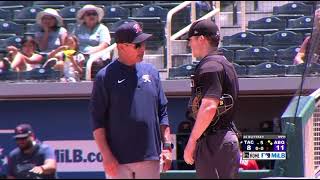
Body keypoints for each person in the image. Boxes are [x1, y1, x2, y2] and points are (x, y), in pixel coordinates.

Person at [89, 21, 172, 179]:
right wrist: (106, 156)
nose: (142, 48)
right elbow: (97, 122)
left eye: (143, 43)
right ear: (121, 47)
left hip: (150, 158)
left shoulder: (152, 72)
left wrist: (167, 146)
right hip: (118, 161)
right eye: (137, 45)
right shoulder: (104, 76)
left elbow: (163, 112)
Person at [183, 19, 241, 179]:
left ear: (201, 39)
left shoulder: (210, 67)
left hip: (215, 141)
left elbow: (209, 106)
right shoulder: (222, 63)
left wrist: (191, 141)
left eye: (191, 40)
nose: (190, 45)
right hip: (221, 139)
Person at [73, 4, 112, 73]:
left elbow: (104, 45)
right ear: (83, 17)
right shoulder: (77, 28)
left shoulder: (103, 28)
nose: (91, 16)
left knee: (96, 60)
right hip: (79, 55)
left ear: (97, 17)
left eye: (94, 14)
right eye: (88, 14)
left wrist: (89, 53)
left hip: (97, 55)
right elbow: (72, 43)